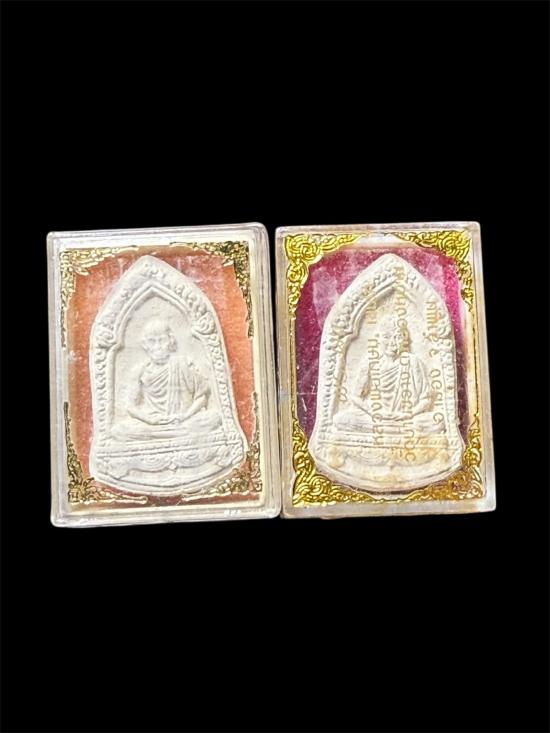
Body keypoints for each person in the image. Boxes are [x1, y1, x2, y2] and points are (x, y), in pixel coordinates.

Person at [125, 318, 220, 432]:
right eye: (152, 341)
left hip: (184, 421)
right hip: (151, 423)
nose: (157, 346)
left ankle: (171, 433)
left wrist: (185, 416)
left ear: (171, 341)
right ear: (145, 345)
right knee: (121, 429)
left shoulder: (184, 364)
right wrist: (150, 420)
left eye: (162, 340)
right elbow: (131, 407)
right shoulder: (139, 371)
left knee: (214, 418)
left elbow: (202, 397)